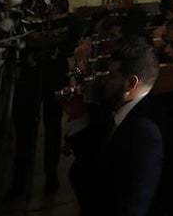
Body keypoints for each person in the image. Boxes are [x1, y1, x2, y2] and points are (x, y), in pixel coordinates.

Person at [64, 35, 164, 216]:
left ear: (131, 83)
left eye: (112, 76)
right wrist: (77, 115)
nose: (105, 81)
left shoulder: (145, 135)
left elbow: (133, 206)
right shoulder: (118, 110)